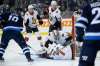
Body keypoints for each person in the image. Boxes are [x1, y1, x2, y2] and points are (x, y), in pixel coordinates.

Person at [75, 0, 100, 66]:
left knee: (85, 63)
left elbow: (80, 24)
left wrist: (79, 36)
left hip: (91, 38)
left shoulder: (88, 7)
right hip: (91, 38)